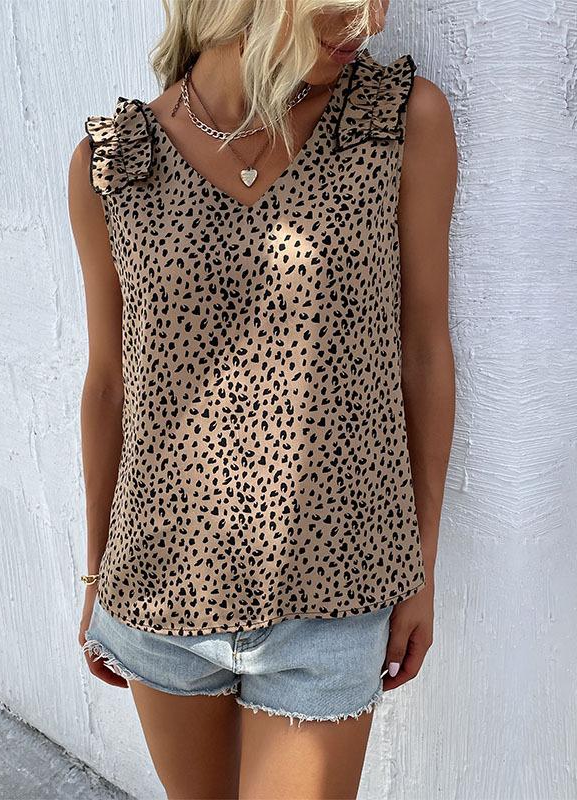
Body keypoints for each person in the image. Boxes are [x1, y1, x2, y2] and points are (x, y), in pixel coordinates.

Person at [68, 0, 456, 796]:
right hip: (160, 590)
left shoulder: (394, 121)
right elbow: (109, 384)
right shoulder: (115, 162)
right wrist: (98, 577)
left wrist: (420, 566)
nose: (372, 23)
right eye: (346, 2)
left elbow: (422, 350)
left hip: (336, 592)